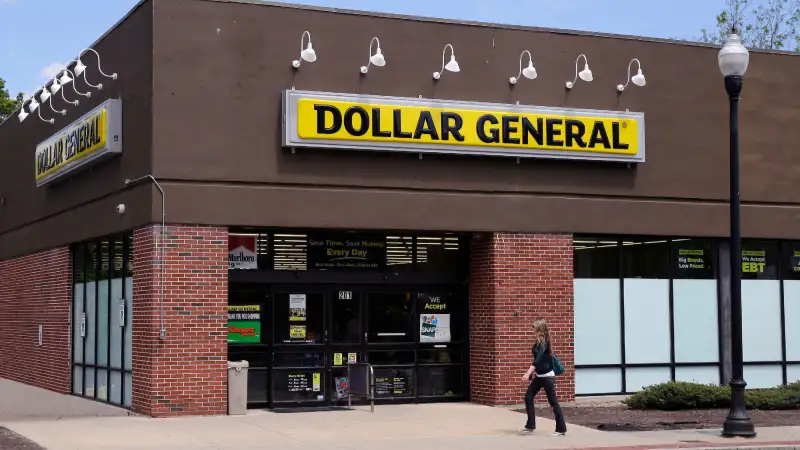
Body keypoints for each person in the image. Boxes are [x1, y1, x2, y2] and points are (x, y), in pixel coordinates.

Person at [519, 318, 567, 436]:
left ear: (539, 329)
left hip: (547, 377)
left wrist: (528, 373)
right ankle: (530, 426)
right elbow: (537, 361)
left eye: (534, 328)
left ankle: (561, 429)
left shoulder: (544, 343)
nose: (532, 330)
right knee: (528, 397)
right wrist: (532, 374)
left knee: (553, 402)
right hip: (540, 376)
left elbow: (538, 360)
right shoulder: (538, 342)